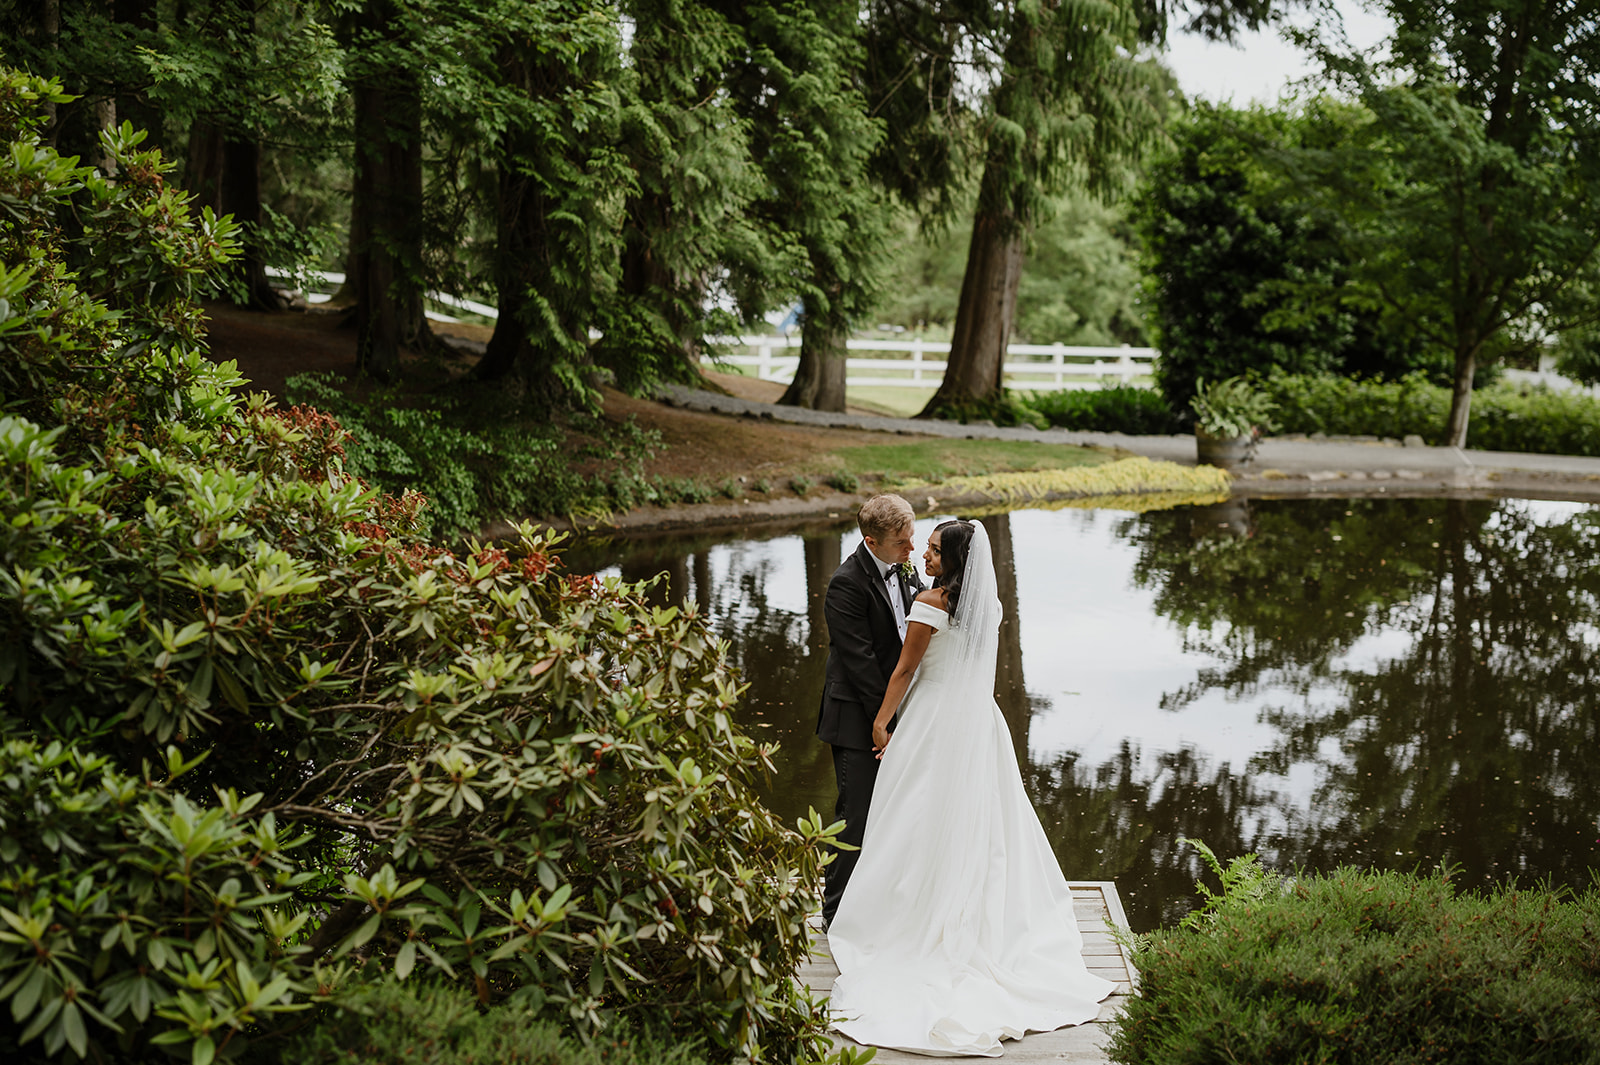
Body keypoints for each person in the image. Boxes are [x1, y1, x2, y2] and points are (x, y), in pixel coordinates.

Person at [827, 519, 1114, 1057]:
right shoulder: (988, 606)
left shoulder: (931, 605)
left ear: (955, 559)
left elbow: (904, 672)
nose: (925, 558)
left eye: (934, 551)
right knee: (980, 820)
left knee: (911, 818)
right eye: (925, 549)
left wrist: (882, 722)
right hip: (979, 723)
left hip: (933, 722)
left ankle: (912, 914)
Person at [816, 494, 925, 931]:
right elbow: (860, 662)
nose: (911, 550)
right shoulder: (847, 583)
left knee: (895, 813)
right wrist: (888, 722)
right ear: (871, 541)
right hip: (857, 720)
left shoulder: (902, 568)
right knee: (855, 816)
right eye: (902, 542)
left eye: (912, 539)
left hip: (893, 713)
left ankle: (879, 902)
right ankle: (835, 915)